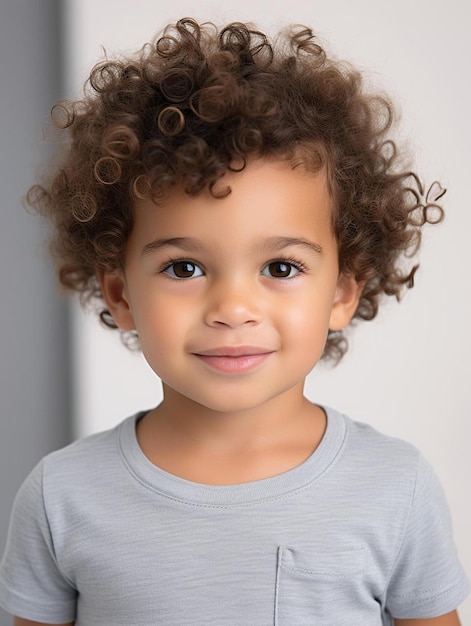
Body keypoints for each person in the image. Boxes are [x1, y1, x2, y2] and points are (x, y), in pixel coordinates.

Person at [0, 17, 468, 626]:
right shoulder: (61, 496)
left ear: (342, 293)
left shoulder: (396, 488)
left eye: (279, 266)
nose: (231, 309)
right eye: (185, 268)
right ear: (120, 294)